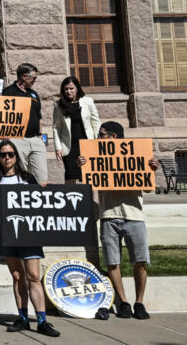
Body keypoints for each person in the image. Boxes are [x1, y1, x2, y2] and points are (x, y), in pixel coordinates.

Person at [78, 121, 160, 320]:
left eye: (102, 134)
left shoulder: (136, 155)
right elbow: (90, 182)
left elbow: (148, 188)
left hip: (134, 216)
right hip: (108, 216)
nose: (98, 137)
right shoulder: (97, 156)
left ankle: (139, 303)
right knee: (112, 262)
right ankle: (123, 302)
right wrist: (84, 165)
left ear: (113, 137)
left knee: (140, 262)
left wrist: (152, 169)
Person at [0, 140, 59, 337]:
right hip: (4, 232)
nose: (6, 158)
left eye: (10, 154)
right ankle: (23, 318)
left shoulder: (27, 178)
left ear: (16, 156)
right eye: (2, 154)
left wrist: (45, 191)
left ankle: (42, 320)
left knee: (33, 276)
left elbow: (39, 204)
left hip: (28, 233)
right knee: (17, 276)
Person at [2, 64, 47, 183]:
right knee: (22, 176)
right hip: (18, 139)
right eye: (33, 78)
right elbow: (0, 117)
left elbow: (39, 117)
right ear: (24, 77)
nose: (35, 80)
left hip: (36, 140)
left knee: (42, 177)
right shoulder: (8, 92)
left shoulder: (34, 94)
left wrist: (40, 137)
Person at [53, 76, 100, 183]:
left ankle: (89, 199)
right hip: (69, 146)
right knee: (70, 175)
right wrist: (58, 147)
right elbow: (56, 127)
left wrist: (97, 141)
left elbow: (96, 122)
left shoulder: (88, 101)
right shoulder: (58, 105)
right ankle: (70, 199)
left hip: (87, 144)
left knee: (88, 176)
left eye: (71, 88)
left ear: (77, 88)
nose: (68, 91)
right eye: (66, 89)